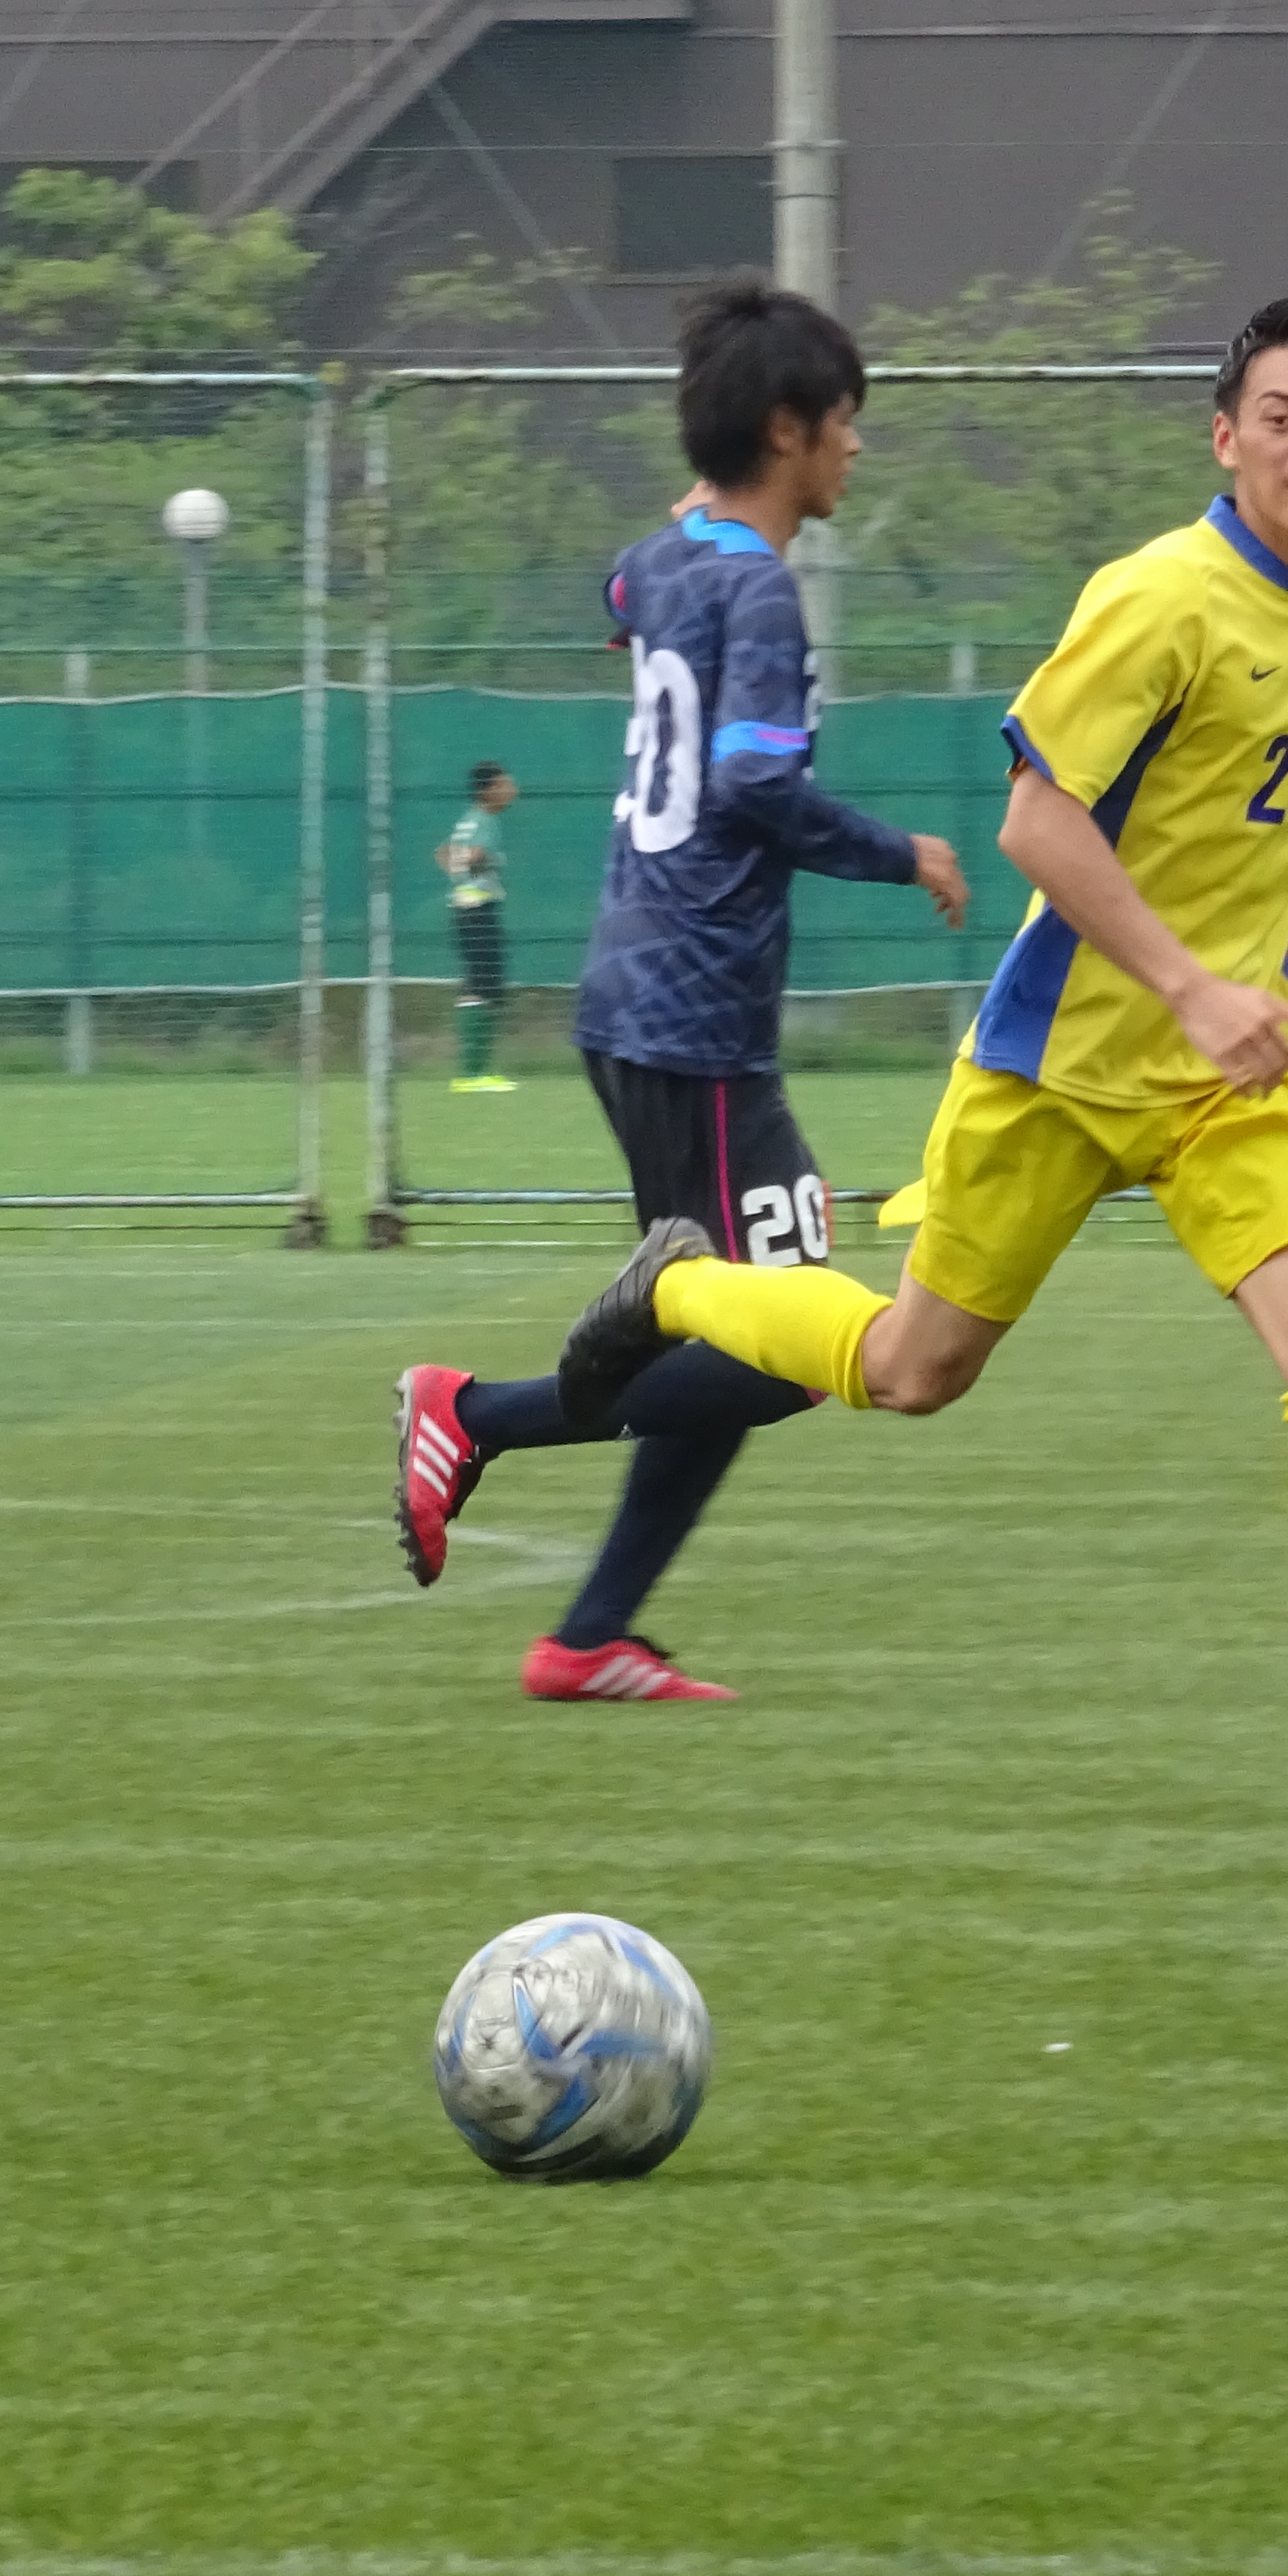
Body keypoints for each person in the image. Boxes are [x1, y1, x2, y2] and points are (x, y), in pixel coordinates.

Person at [554, 295, 1288, 1793]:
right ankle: (676, 1287)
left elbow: (1255, 844)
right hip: (1059, 1065)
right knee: (911, 1368)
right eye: (1281, 417)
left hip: (1223, 1084)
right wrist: (1193, 991)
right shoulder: (1156, 597)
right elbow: (1036, 821)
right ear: (1225, 439)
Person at [392, 280, 967, 1702]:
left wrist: (691, 522)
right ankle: (472, 1415)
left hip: (634, 995)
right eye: (844, 422)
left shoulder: (665, 560)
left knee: (732, 1320)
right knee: (802, 1340)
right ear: (785, 429)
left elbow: (619, 593)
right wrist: (903, 853)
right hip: (698, 1018)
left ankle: (590, 1635)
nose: (856, 448)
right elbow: (756, 781)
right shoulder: (758, 586)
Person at [439, 759, 518, 1091]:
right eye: (504, 785)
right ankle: (473, 1074)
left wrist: (459, 873)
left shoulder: (469, 820)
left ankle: (476, 1071)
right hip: (477, 910)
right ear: (488, 791)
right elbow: (470, 856)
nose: (511, 790)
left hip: (466, 908)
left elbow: (442, 854)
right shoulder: (483, 821)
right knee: (482, 986)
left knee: (480, 983)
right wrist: (476, 863)